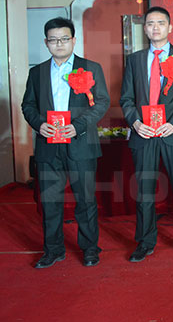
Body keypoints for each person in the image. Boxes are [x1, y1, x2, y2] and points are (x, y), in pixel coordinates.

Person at [22, 17, 110, 268]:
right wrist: (39, 124)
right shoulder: (37, 72)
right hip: (48, 144)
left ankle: (90, 249)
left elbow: (102, 102)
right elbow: (28, 105)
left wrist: (78, 126)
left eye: (64, 39)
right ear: (46, 42)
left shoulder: (90, 68)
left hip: (81, 143)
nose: (58, 44)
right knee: (50, 202)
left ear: (73, 40)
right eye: (53, 40)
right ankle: (53, 250)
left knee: (86, 200)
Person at [120, 6, 173, 262]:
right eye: (150, 23)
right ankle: (145, 242)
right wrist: (135, 123)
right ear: (144, 28)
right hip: (143, 134)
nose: (155, 28)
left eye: (161, 23)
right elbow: (126, 98)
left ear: (170, 27)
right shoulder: (134, 60)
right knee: (144, 192)